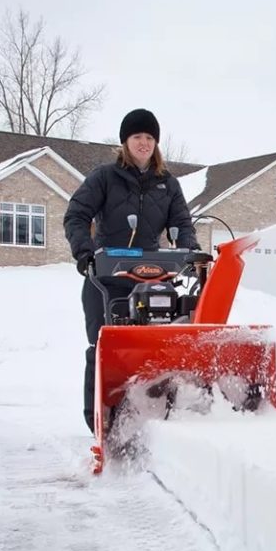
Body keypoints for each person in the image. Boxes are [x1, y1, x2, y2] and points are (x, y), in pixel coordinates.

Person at [64, 108, 199, 432]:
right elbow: (76, 215)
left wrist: (190, 251)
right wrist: (85, 253)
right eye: (137, 136)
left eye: (150, 137)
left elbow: (181, 222)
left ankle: (161, 410)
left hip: (153, 278)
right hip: (107, 278)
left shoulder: (167, 184)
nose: (144, 142)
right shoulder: (104, 178)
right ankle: (102, 423)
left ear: (156, 144)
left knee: (160, 344)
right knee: (103, 345)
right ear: (125, 141)